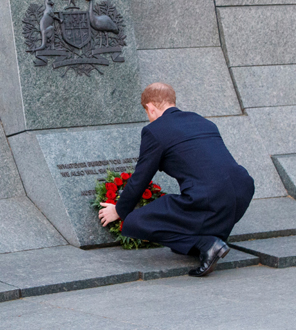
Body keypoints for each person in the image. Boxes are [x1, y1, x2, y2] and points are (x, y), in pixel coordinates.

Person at [98, 82, 255, 277]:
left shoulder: (155, 131)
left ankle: (207, 244)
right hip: (242, 192)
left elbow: (141, 177)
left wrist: (119, 210)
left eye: (147, 112)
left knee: (136, 221)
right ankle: (208, 243)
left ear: (150, 107)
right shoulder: (202, 121)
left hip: (207, 197)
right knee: (183, 238)